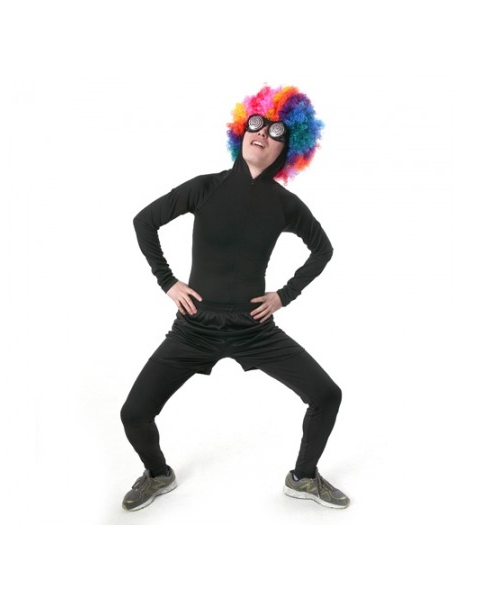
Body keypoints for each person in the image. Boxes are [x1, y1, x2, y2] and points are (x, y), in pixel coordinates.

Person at [120, 84, 349, 511]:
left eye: (276, 131)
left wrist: (284, 295)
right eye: (256, 124)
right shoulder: (204, 187)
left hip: (254, 330)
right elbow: (144, 221)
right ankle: (157, 473)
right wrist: (167, 281)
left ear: (287, 150)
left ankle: (303, 477)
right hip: (194, 328)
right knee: (133, 413)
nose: (262, 133)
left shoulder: (285, 205)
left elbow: (323, 250)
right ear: (242, 131)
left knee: (326, 395)